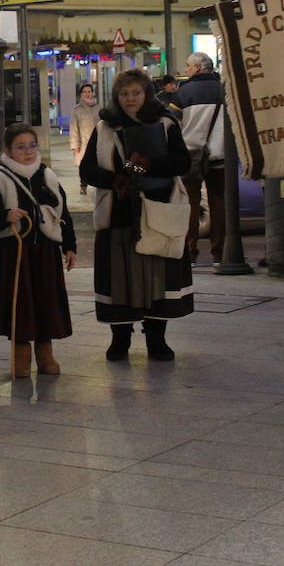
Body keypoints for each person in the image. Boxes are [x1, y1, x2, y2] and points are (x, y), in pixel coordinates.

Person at [80, 69, 193, 361]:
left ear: (147, 94)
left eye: (136, 93)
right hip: (118, 214)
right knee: (119, 278)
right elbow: (88, 169)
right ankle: (120, 339)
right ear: (117, 97)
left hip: (157, 210)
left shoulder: (166, 123)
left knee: (158, 276)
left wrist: (146, 167)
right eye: (125, 94)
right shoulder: (105, 127)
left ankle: (157, 339)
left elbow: (182, 162)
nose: (130, 99)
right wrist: (116, 178)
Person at [0, 123, 75, 376]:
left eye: (32, 146)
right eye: (20, 147)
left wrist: (69, 246)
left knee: (46, 303)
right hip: (16, 254)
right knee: (19, 305)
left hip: (45, 252)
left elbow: (63, 214)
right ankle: (20, 358)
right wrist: (6, 215)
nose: (28, 152)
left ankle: (45, 356)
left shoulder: (48, 176)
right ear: (8, 150)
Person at [175, 52, 226, 267]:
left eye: (188, 66)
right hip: (219, 155)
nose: (186, 70)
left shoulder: (183, 92)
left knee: (191, 205)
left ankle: (191, 251)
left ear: (197, 68)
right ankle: (218, 253)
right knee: (218, 203)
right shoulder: (224, 90)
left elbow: (175, 125)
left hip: (191, 156)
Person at [69, 83, 99, 194]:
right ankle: (83, 185)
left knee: (97, 164)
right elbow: (74, 129)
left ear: (92, 93)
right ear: (81, 94)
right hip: (83, 143)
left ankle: (97, 185)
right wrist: (75, 146)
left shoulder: (98, 108)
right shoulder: (76, 110)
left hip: (97, 142)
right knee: (83, 166)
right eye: (85, 92)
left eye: (89, 91)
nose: (87, 94)